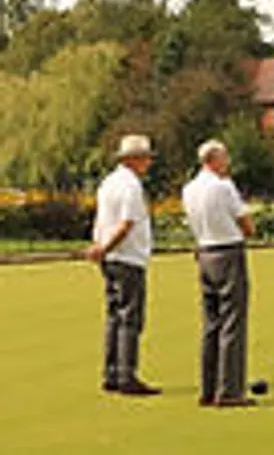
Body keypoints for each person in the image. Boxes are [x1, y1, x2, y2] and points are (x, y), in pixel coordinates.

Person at [182, 140, 257, 408]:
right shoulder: (224, 187)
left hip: (204, 253)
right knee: (233, 322)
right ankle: (229, 392)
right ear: (213, 159)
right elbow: (247, 225)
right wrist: (248, 228)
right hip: (227, 252)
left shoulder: (188, 189)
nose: (227, 162)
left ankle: (208, 388)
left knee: (211, 323)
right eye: (225, 157)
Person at [85, 134, 160, 396]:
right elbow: (126, 223)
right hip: (127, 257)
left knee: (114, 316)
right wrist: (105, 247)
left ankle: (111, 373)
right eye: (145, 159)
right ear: (134, 160)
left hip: (111, 258)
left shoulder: (108, 183)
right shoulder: (130, 186)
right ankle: (127, 376)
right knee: (130, 317)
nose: (148, 163)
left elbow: (102, 220)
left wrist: (100, 248)